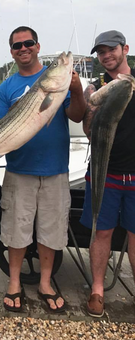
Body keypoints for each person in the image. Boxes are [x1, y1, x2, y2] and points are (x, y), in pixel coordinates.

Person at [0, 26, 85, 313]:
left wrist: (77, 90)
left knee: (52, 228)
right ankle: (14, 282)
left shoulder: (59, 83)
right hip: (19, 169)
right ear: (11, 52)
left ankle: (46, 282)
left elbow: (78, 115)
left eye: (28, 43)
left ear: (37, 46)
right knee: (15, 228)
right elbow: (0, 127)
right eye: (17, 45)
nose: (24, 48)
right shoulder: (6, 87)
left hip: (55, 168)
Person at [80, 30, 135, 317]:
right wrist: (93, 107)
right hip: (105, 171)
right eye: (101, 52)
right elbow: (89, 131)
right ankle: (97, 290)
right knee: (101, 233)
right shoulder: (95, 87)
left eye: (111, 49)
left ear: (125, 49)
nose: (106, 56)